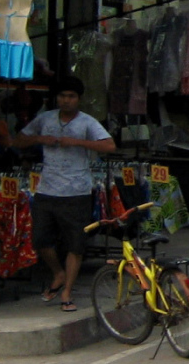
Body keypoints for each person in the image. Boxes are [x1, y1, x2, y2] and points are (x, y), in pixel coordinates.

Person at [13, 76, 115, 311]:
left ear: (78, 99)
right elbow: (18, 140)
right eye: (62, 96)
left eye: (71, 96)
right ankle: (58, 273)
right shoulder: (45, 119)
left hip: (77, 191)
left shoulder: (87, 123)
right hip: (47, 189)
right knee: (40, 240)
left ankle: (67, 291)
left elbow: (109, 146)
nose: (66, 100)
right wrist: (39, 139)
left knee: (75, 244)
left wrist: (78, 143)